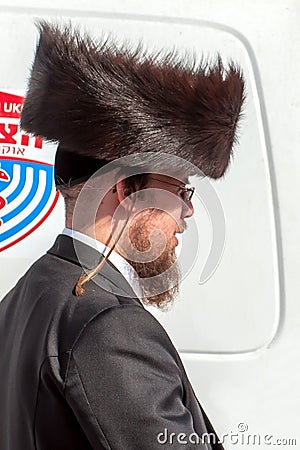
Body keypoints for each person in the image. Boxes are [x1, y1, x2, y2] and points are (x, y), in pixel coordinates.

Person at [0, 21, 245, 449]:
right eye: (179, 189)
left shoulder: (23, 296)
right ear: (126, 191)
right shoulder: (111, 328)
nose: (187, 210)